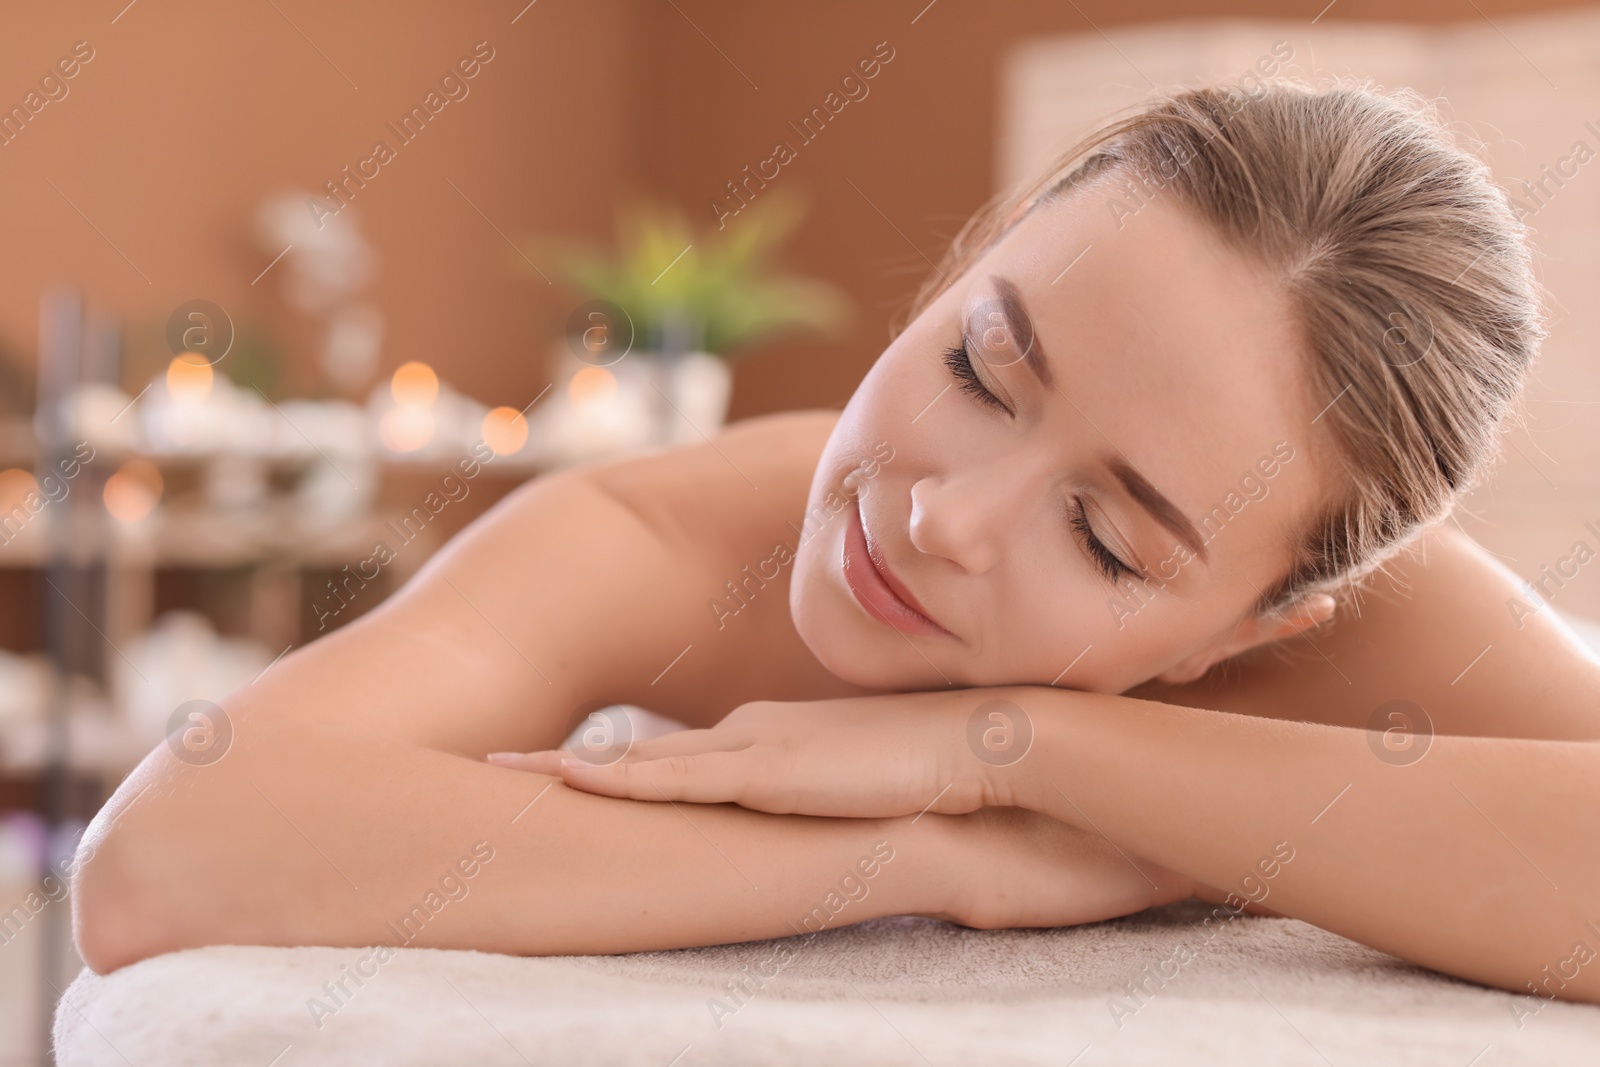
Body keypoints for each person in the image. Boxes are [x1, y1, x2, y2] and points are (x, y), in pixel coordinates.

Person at [73, 80, 1600, 1008]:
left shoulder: (1378, 627)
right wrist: (915, 855)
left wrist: (1018, 753)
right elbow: (167, 854)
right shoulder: (663, 535)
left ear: (1256, 628)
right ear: (955, 274)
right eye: (980, 372)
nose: (942, 515)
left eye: (1107, 540)